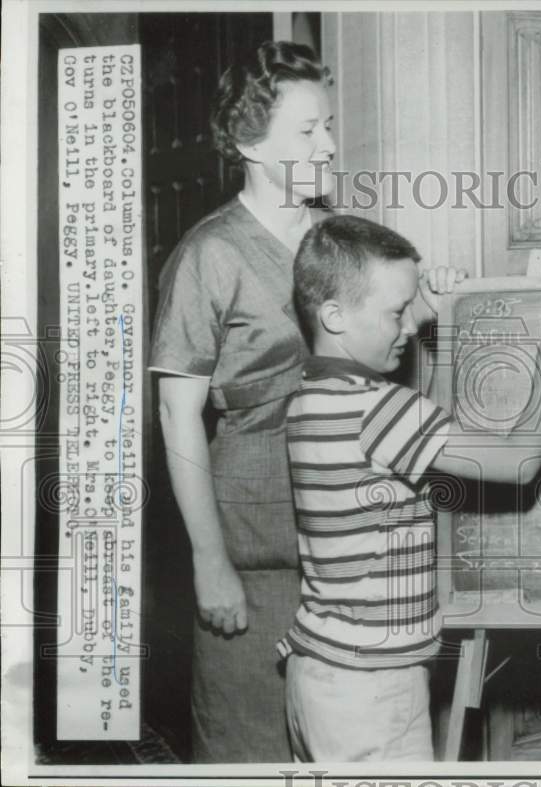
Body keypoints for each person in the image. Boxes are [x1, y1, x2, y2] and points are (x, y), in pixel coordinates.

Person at [277, 215, 541, 761]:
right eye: (396, 313)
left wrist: (432, 321)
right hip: (373, 689)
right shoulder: (377, 409)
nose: (409, 327)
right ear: (335, 316)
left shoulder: (311, 398)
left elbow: (424, 448)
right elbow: (517, 462)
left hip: (321, 672)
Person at [149, 41, 337, 762]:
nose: (328, 144)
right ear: (251, 144)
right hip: (250, 551)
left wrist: (425, 297)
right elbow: (176, 415)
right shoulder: (209, 255)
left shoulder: (336, 238)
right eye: (308, 130)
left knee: (331, 745)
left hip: (338, 542)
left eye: (327, 124)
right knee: (248, 749)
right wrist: (209, 562)